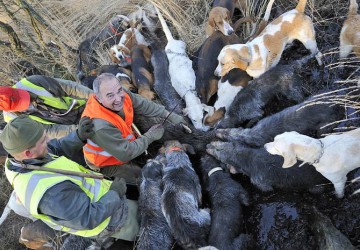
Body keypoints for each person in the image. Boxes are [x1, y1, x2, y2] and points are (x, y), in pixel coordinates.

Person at [0, 115, 139, 243]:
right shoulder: (50, 195)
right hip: (110, 219)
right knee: (147, 226)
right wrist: (114, 194)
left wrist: (78, 136)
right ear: (28, 153)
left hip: (105, 198)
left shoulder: (17, 160)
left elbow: (54, 149)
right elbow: (88, 217)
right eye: (43, 140)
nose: (49, 140)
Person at [82, 73, 187, 184]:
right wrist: (150, 136)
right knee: (143, 177)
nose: (118, 98)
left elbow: (142, 104)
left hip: (122, 146)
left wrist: (168, 114)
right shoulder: (99, 126)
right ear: (98, 98)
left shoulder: (121, 93)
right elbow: (126, 153)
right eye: (110, 95)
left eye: (119, 90)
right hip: (107, 162)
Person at [0, 75, 93, 139]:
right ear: (10, 110)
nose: (28, 103)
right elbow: (49, 131)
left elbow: (71, 88)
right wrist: (77, 131)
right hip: (67, 128)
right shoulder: (13, 120)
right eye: (22, 104)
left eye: (22, 97)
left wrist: (96, 98)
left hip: (84, 107)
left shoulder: (32, 82)